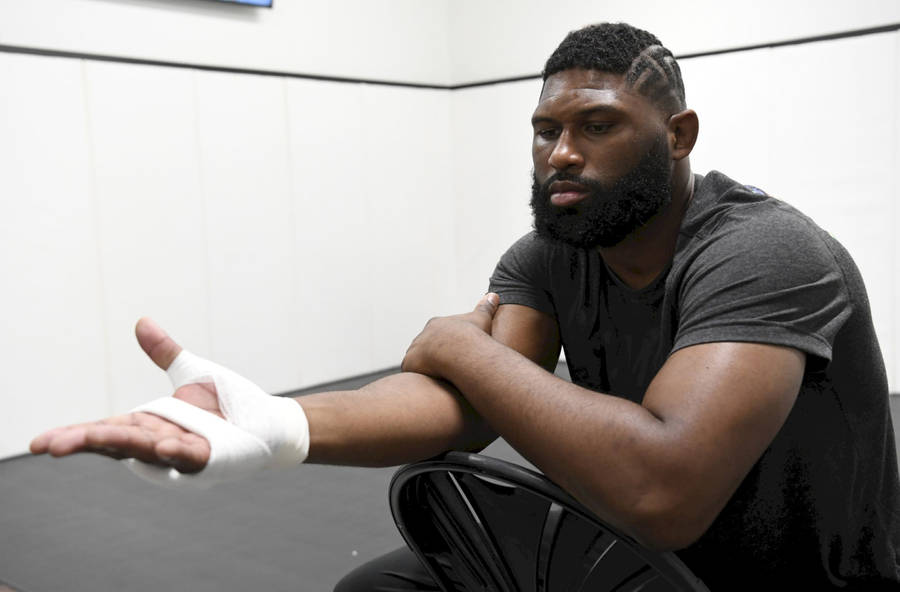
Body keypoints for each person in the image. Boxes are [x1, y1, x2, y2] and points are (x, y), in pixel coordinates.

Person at [30, 22, 900, 590]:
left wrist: (461, 346)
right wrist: (276, 424)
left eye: (597, 126)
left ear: (678, 137)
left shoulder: (765, 251)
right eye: (545, 129)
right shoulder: (555, 252)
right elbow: (461, 406)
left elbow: (659, 486)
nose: (560, 153)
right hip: (618, 561)